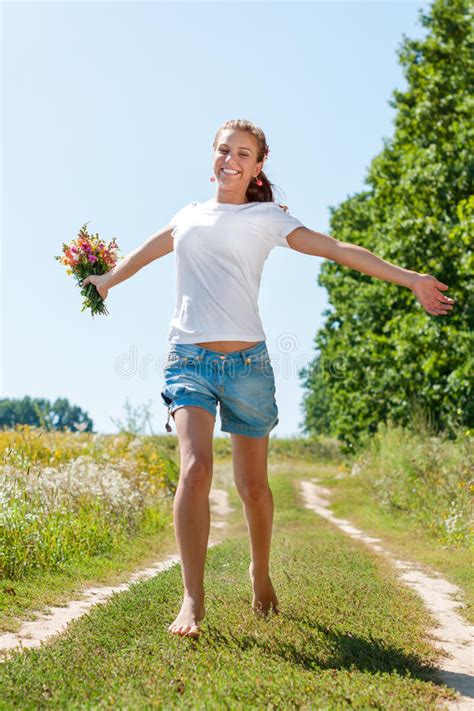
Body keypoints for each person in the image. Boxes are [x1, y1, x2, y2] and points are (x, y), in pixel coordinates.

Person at [83, 118, 455, 639]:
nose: (229, 160)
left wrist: (411, 278)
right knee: (195, 469)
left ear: (258, 165)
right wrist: (105, 281)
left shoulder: (266, 218)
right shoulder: (187, 216)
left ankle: (260, 571)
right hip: (187, 357)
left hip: (247, 366)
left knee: (253, 487)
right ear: (211, 156)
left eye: (242, 154)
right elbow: (144, 254)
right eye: (222, 150)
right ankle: (193, 597)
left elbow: (340, 249)